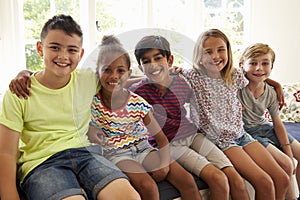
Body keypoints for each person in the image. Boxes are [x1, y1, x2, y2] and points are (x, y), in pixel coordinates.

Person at [0, 14, 140, 200]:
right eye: (55, 47)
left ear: (81, 54)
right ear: (40, 49)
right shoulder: (19, 92)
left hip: (87, 155)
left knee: (129, 197)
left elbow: (117, 80)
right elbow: (6, 153)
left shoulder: (87, 79)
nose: (63, 56)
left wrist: (162, 75)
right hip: (43, 164)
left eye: (72, 50)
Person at [129, 35, 249, 200]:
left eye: (158, 58)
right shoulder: (138, 91)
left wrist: (275, 85)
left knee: (234, 177)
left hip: (194, 136)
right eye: (147, 61)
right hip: (171, 144)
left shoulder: (183, 82)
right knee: (218, 178)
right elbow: (117, 82)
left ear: (170, 60)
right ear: (141, 68)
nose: (154, 64)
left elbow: (242, 78)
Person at [179, 28, 290, 200]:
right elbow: (157, 77)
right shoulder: (193, 76)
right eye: (208, 52)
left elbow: (258, 74)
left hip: (241, 134)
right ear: (199, 56)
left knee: (282, 177)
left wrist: (277, 85)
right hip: (220, 140)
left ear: (228, 51)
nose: (215, 56)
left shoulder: (235, 75)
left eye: (221, 50)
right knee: (264, 182)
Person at [87, 35, 201, 200]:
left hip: (143, 148)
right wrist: (91, 129)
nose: (114, 76)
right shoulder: (92, 101)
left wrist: (163, 164)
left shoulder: (137, 103)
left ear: (129, 74)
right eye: (107, 70)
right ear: (97, 71)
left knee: (187, 180)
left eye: (120, 71)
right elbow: (83, 125)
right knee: (148, 186)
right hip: (117, 154)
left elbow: (161, 139)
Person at [238, 43, 300, 200]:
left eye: (265, 63)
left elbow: (277, 122)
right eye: (253, 63)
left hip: (265, 126)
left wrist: (287, 148)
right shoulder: (236, 85)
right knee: (286, 164)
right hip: (247, 133)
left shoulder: (271, 92)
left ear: (272, 66)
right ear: (242, 65)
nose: (259, 68)